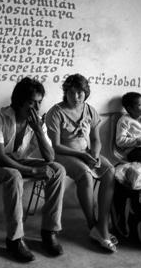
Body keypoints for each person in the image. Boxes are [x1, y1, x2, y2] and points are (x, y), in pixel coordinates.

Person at [0, 77, 65, 262]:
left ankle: (49, 232)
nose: (36, 107)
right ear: (19, 101)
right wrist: (32, 171)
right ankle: (15, 240)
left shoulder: (37, 122)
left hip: (19, 160)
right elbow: (1, 158)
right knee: (14, 175)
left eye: (39, 102)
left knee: (57, 170)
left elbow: (50, 157)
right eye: (31, 102)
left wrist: (39, 131)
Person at [46, 74, 117, 253]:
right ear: (65, 93)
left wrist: (95, 153)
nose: (76, 97)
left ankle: (102, 225)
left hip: (85, 153)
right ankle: (92, 224)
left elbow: (96, 139)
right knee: (85, 174)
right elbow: (56, 146)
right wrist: (82, 156)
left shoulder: (90, 110)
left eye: (80, 93)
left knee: (109, 171)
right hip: (63, 155)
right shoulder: (55, 112)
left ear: (86, 93)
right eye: (72, 93)